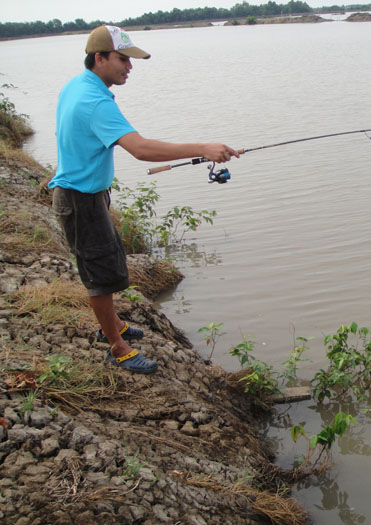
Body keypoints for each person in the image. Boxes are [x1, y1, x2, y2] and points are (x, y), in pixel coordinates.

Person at [49, 25, 239, 374]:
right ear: (99, 58)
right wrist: (204, 147)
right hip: (80, 200)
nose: (129, 67)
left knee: (105, 262)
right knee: (99, 275)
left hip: (86, 194)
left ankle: (115, 325)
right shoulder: (94, 100)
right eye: (123, 59)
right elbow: (140, 148)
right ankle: (117, 347)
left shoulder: (79, 85)